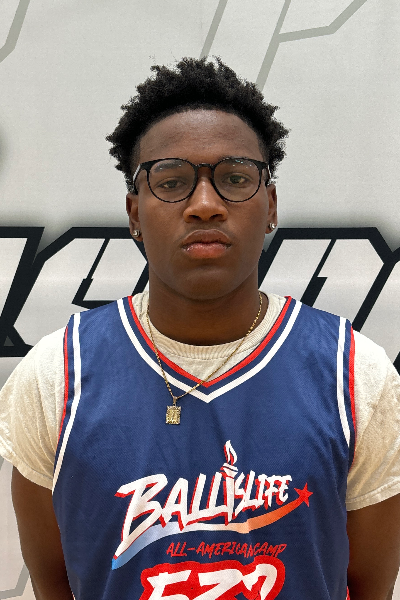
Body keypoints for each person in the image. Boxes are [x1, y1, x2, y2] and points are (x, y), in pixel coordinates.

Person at [1, 57, 400, 600]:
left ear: (271, 206)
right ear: (134, 213)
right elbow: (57, 583)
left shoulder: (353, 374)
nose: (205, 206)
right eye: (172, 182)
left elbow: (368, 586)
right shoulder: (55, 376)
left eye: (235, 179)